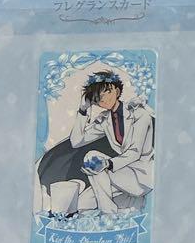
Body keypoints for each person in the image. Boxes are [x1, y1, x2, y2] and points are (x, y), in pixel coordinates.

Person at [36, 71, 155, 218]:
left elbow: (134, 153)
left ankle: (109, 214)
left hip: (141, 175)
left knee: (95, 162)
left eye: (107, 92)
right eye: (98, 97)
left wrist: (107, 164)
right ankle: (124, 204)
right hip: (119, 175)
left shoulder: (139, 114)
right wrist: (83, 110)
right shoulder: (105, 120)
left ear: (117, 91)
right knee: (82, 203)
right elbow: (76, 141)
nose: (104, 98)